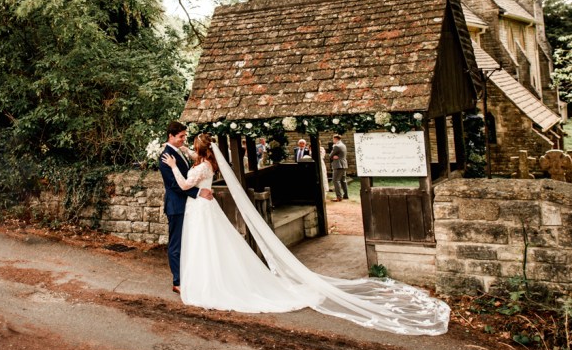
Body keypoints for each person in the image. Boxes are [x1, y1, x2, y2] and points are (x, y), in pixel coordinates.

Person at [162, 134, 450, 335]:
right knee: (214, 244)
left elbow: (186, 185)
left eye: (191, 145)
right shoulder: (209, 163)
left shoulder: (199, 166)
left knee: (205, 245)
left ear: (198, 151)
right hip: (205, 206)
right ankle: (214, 277)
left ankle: (209, 281)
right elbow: (195, 166)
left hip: (200, 205)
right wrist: (187, 156)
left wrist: (175, 166)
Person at [159, 121, 213, 294]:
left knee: (190, 243)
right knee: (176, 245)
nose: (184, 139)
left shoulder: (179, 151)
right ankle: (177, 282)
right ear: (171, 136)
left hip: (189, 206)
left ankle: (191, 277)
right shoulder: (165, 157)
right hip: (176, 206)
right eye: (181, 136)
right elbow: (174, 185)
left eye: (184, 136)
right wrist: (199, 193)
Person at [330, 134, 348, 200]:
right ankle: (346, 195)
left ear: (335, 139)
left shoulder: (336, 146)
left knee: (335, 180)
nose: (333, 140)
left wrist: (333, 156)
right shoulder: (343, 145)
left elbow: (330, 155)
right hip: (344, 164)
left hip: (338, 165)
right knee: (343, 180)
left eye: (333, 139)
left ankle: (339, 197)